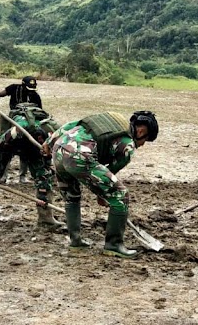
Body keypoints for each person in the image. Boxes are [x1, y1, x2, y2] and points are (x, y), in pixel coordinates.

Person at [45, 111, 159, 259]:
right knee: (120, 195)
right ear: (141, 131)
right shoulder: (128, 146)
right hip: (79, 156)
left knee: (72, 196)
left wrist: (48, 143)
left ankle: (76, 241)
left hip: (59, 150)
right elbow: (109, 174)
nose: (142, 145)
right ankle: (114, 245)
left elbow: (71, 125)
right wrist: (103, 194)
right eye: (146, 140)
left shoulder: (111, 120)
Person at [0, 103, 62, 228]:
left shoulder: (55, 133)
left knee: (44, 179)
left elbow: (56, 155)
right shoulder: (15, 133)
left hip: (35, 151)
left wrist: (50, 166)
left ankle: (45, 218)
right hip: (12, 146)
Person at [0, 76, 42, 183]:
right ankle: (3, 175)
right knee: (5, 146)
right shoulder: (14, 88)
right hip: (13, 120)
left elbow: (39, 113)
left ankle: (22, 176)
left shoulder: (36, 97)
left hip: (27, 124)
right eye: (28, 88)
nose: (31, 92)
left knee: (26, 149)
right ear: (23, 85)